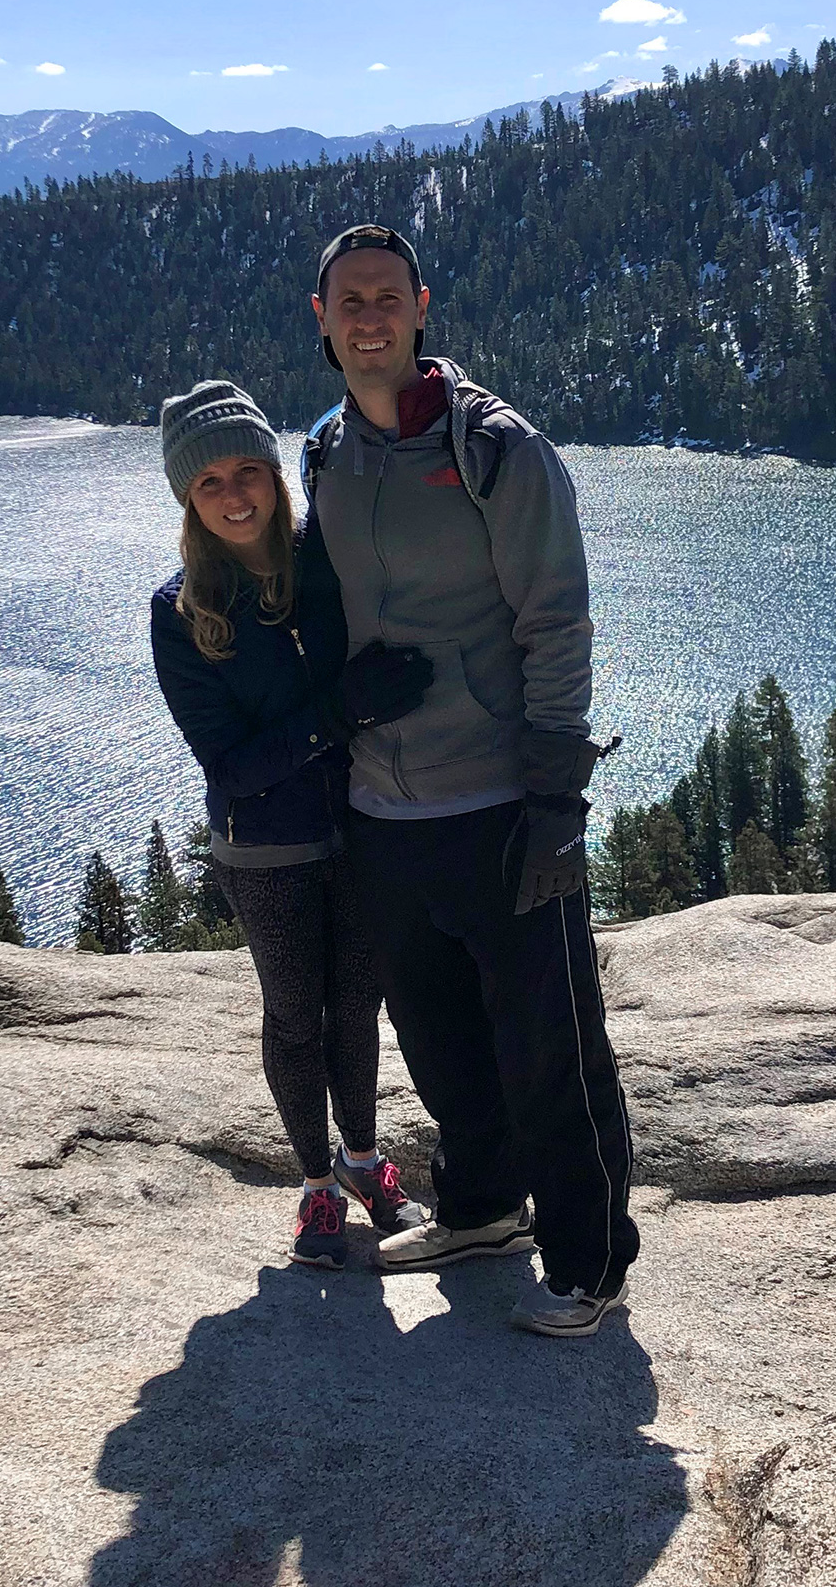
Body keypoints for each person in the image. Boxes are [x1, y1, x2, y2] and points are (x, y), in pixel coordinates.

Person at [301, 224, 640, 1338]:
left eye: (387, 296)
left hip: (498, 801)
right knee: (439, 1035)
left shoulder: (497, 448)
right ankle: (486, 1208)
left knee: (551, 1041)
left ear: (421, 308)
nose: (369, 316)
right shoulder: (325, 453)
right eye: (349, 299)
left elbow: (558, 622)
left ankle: (590, 1264)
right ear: (323, 318)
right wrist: (334, 709)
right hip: (384, 808)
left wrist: (556, 801)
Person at [149, 379, 433, 1269]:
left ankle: (361, 1160)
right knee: (294, 1019)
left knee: (358, 1007)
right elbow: (229, 766)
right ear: (188, 500)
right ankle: (314, 1185)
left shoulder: (325, 559)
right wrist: (336, 715)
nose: (235, 495)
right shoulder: (180, 613)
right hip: (264, 847)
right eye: (209, 484)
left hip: (360, 825)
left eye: (248, 472)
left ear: (275, 474)